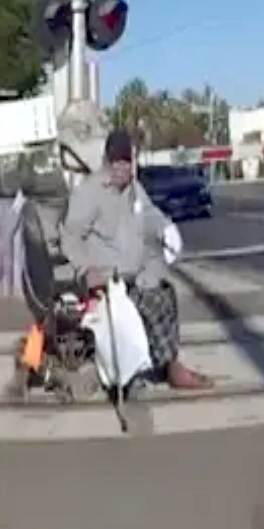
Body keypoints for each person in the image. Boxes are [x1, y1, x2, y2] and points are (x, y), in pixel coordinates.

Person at [60, 129, 213, 390]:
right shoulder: (89, 193)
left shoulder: (133, 188)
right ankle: (163, 366)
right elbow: (71, 236)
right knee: (156, 301)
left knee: (165, 290)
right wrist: (86, 270)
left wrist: (166, 227)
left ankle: (167, 363)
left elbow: (149, 212)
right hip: (107, 280)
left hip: (135, 274)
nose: (123, 170)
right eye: (117, 163)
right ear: (107, 162)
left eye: (127, 163)